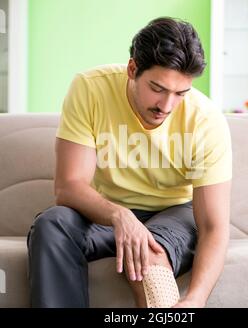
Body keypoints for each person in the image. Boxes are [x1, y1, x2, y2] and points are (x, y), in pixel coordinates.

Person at [27, 16, 232, 308]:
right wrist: (120, 215)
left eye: (180, 94)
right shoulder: (90, 89)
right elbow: (68, 187)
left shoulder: (206, 121)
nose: (167, 106)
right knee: (52, 224)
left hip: (175, 211)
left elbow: (213, 225)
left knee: (147, 258)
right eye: (158, 89)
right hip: (105, 213)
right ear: (132, 69)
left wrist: (196, 299)